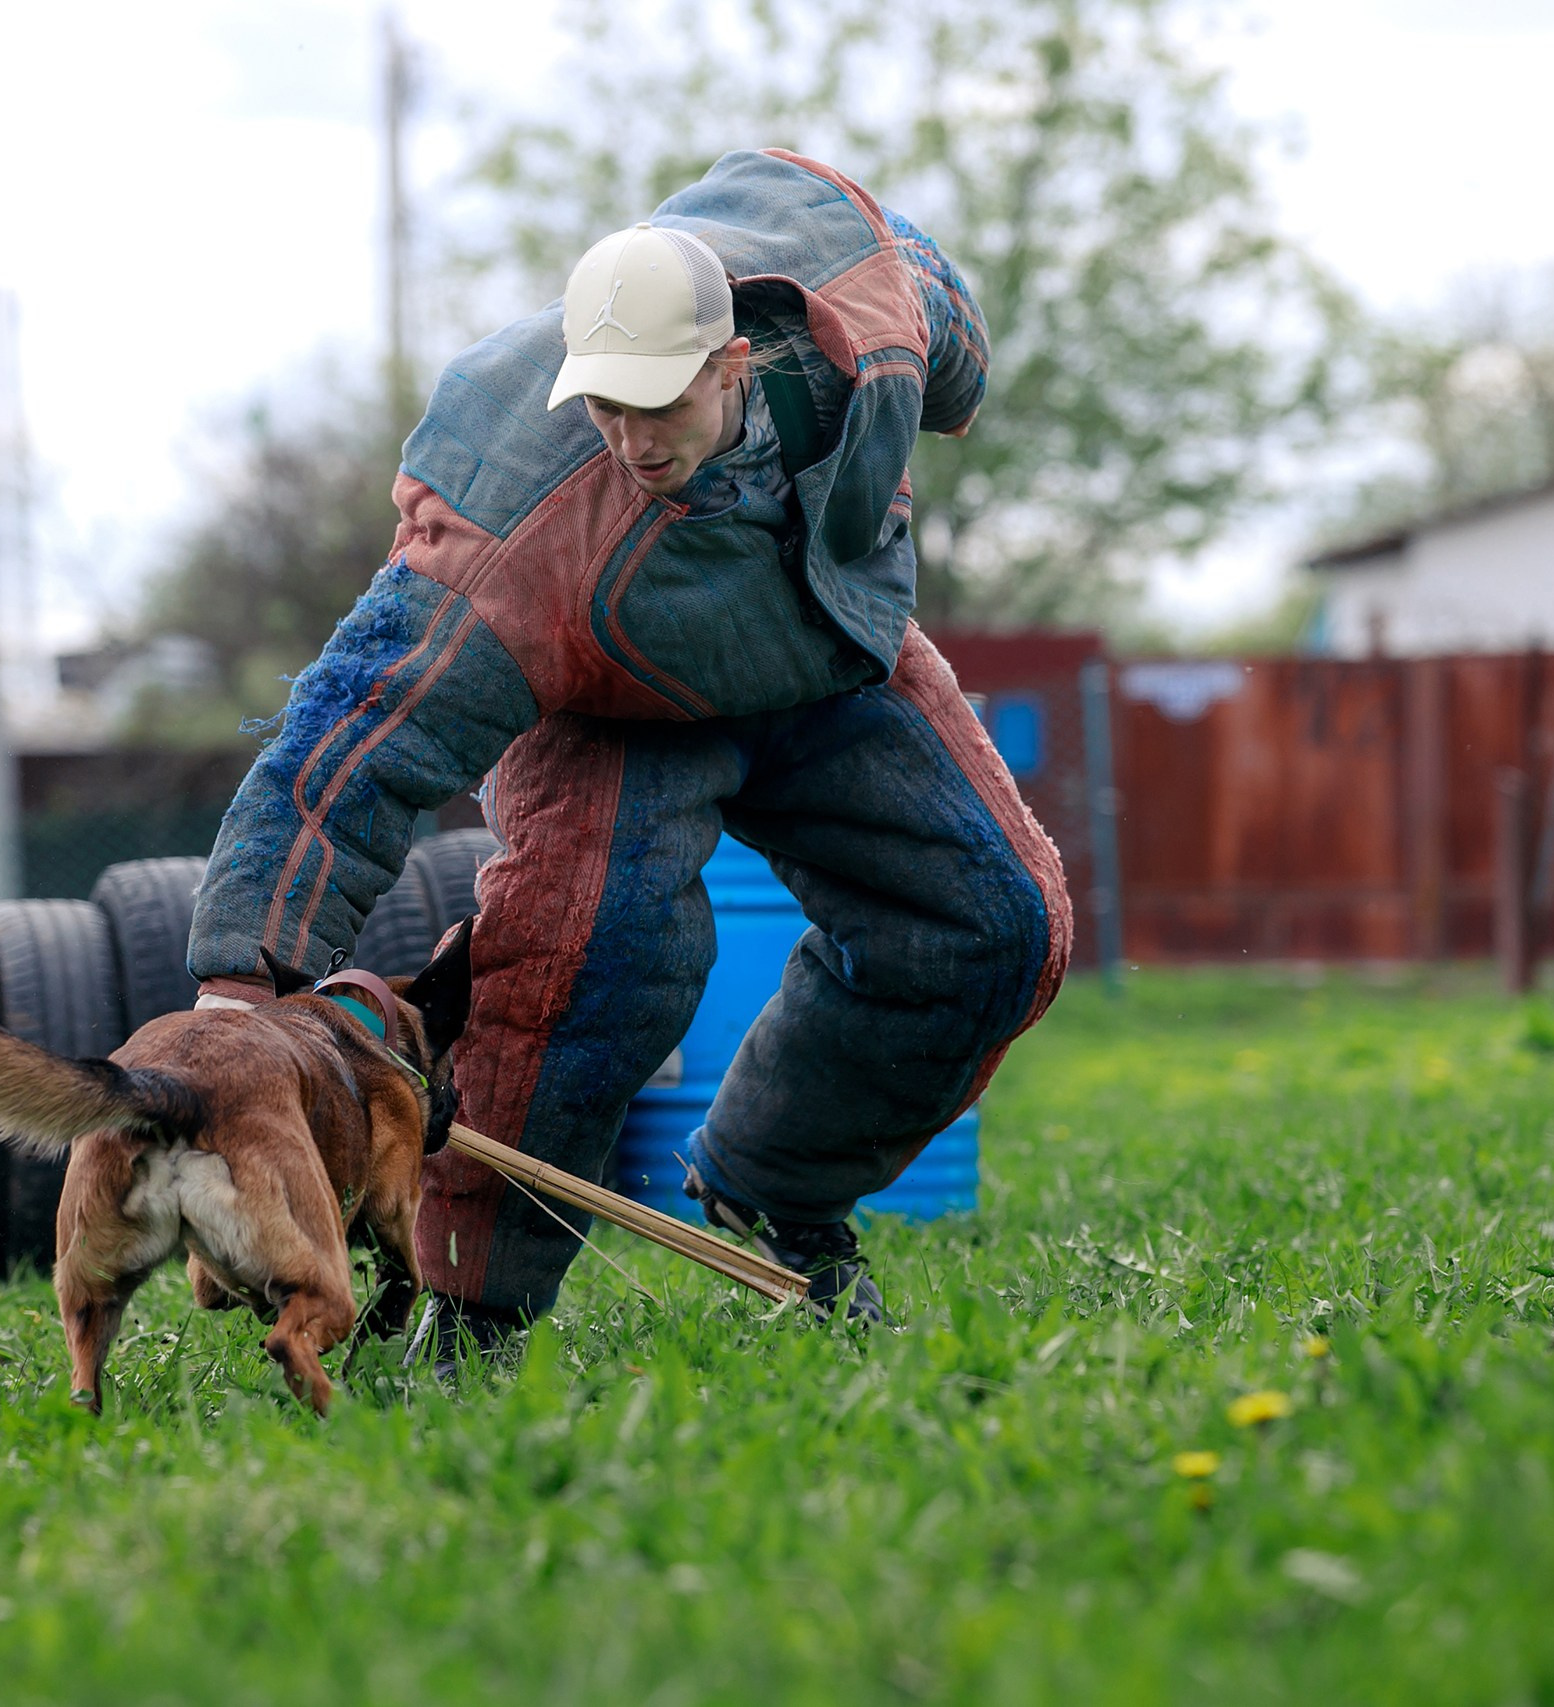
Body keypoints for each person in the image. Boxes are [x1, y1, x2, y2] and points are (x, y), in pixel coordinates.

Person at [184, 148, 1071, 1356]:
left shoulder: (871, 314)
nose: (631, 437)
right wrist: (242, 981)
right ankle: (471, 1305)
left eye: (660, 403)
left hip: (825, 643)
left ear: (732, 363)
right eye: (604, 405)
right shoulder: (509, 521)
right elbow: (350, 737)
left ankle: (778, 1192)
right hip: (609, 700)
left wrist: (958, 384)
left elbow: (939, 334)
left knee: (1000, 919)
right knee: (599, 958)